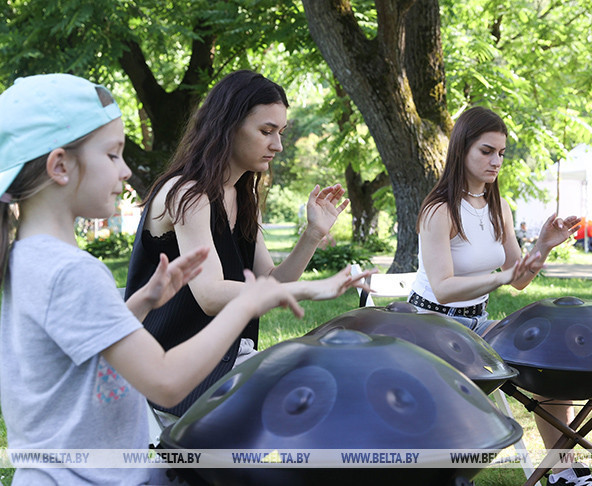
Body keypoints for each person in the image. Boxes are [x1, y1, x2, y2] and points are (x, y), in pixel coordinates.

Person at [0, 73, 313, 484]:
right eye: (113, 155)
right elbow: (166, 382)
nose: (127, 171)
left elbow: (77, 357)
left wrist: (142, 302)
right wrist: (251, 301)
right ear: (59, 165)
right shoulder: (72, 270)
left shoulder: (25, 259)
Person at [125, 70, 375, 417]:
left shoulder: (242, 195)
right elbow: (210, 296)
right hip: (171, 372)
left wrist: (312, 234)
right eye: (266, 131)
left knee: (336, 385)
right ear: (226, 127)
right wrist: (312, 289)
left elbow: (271, 281)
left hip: (224, 360)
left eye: (281, 132)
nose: (278, 145)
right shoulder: (188, 194)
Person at [409, 107, 590, 486]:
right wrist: (502, 277)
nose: (497, 161)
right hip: (431, 325)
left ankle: (563, 472)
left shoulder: (497, 206)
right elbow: (443, 287)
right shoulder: (438, 209)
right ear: (462, 151)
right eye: (486, 151)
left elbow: (517, 278)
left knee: (549, 368)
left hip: (478, 323)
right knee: (458, 390)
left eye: (502, 153)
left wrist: (543, 246)